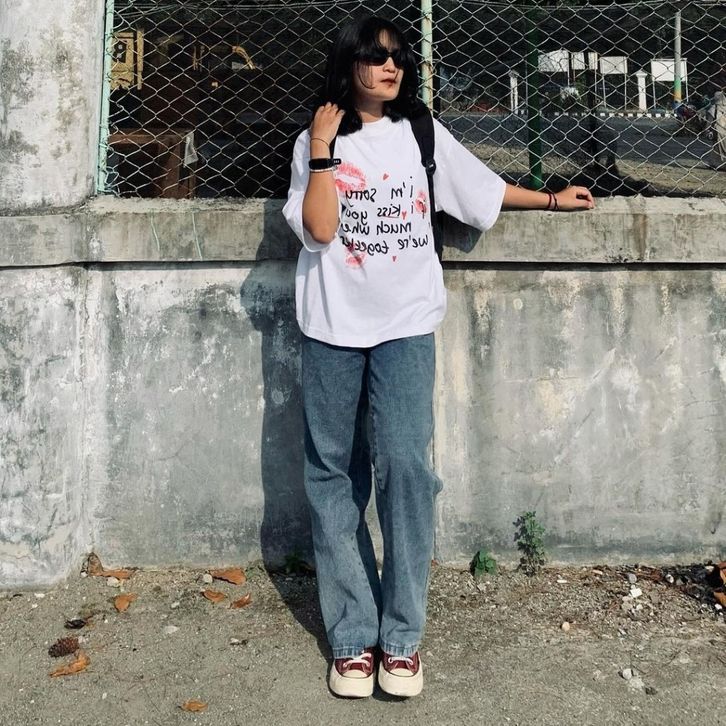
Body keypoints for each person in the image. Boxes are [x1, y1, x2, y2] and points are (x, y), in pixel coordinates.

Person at [282, 15, 594, 700]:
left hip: (405, 326)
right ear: (348, 64)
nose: (390, 67)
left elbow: (480, 190)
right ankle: (352, 637)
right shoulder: (315, 140)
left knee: (406, 469)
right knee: (333, 475)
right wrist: (325, 148)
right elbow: (321, 228)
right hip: (331, 326)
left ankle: (400, 637)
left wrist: (549, 199)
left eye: (398, 57)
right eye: (375, 56)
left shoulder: (421, 132)